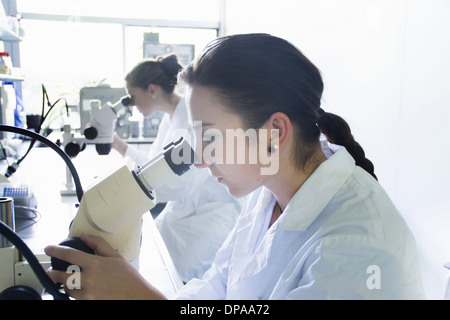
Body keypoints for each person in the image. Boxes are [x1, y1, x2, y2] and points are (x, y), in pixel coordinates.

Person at [45, 33, 425, 300]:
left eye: (209, 137)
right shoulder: (268, 196)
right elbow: (217, 288)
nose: (198, 158)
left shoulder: (361, 249)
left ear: (274, 133)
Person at [111, 54, 242, 282]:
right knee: (151, 254)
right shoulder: (171, 118)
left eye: (133, 96)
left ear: (152, 90)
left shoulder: (189, 119)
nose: (132, 104)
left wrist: (126, 181)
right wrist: (120, 147)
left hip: (210, 215)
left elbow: (177, 184)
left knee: (175, 275)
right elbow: (153, 164)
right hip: (182, 212)